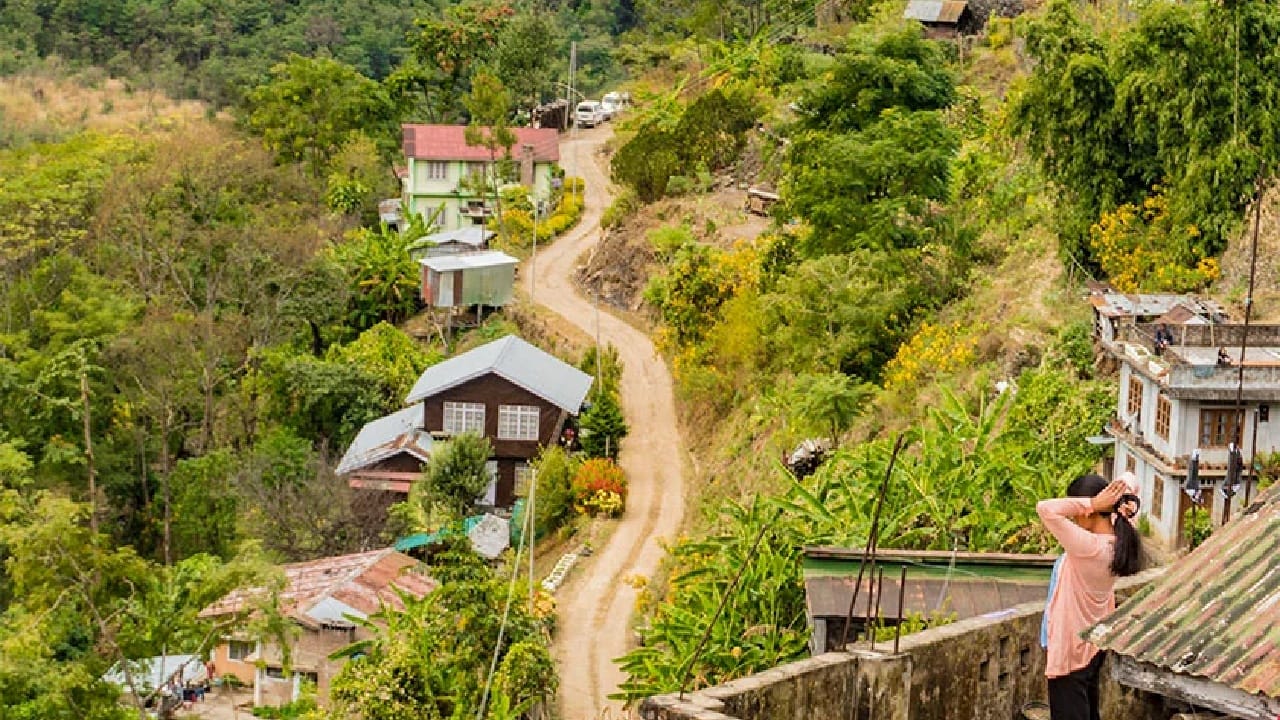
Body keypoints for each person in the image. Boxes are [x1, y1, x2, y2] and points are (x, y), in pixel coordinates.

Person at [1037, 474, 1141, 720]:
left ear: (1089, 513)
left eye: (1077, 512)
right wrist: (1117, 499)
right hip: (1092, 646)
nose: (1074, 518)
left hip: (1071, 650)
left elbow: (1045, 509)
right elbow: (1131, 478)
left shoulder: (1089, 548)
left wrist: (1092, 503)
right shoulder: (1119, 538)